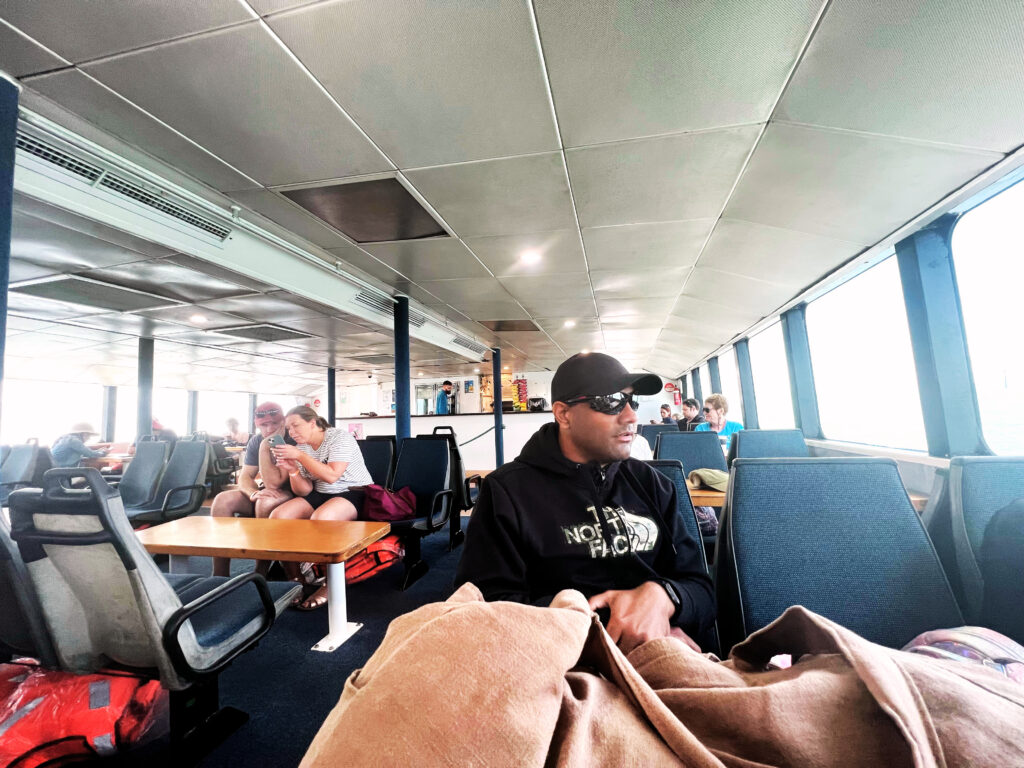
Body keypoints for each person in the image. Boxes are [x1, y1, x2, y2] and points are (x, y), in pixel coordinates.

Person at [456, 352, 714, 653]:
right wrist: (613, 624)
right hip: (563, 665)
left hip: (663, 657)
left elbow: (703, 591)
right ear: (564, 414)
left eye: (633, 402)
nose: (631, 416)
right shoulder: (508, 492)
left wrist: (665, 597)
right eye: (611, 401)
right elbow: (483, 607)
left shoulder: (653, 485)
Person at [268, 406, 373, 610]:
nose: (292, 432)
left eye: (296, 425)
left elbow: (332, 476)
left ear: (313, 423)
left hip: (352, 491)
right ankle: (295, 579)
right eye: (288, 429)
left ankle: (330, 582)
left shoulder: (339, 437)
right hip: (321, 492)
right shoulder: (303, 446)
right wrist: (292, 471)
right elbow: (304, 490)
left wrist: (299, 456)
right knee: (278, 517)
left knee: (321, 519)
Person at [209, 402, 293, 577]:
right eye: (264, 425)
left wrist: (266, 446)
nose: (270, 429)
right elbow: (245, 476)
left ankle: (260, 569)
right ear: (257, 424)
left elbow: (275, 484)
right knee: (222, 501)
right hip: (269, 489)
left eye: (275, 423)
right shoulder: (256, 440)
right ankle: (220, 573)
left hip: (294, 492)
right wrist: (253, 493)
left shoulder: (292, 438)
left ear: (283, 422)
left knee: (265, 501)